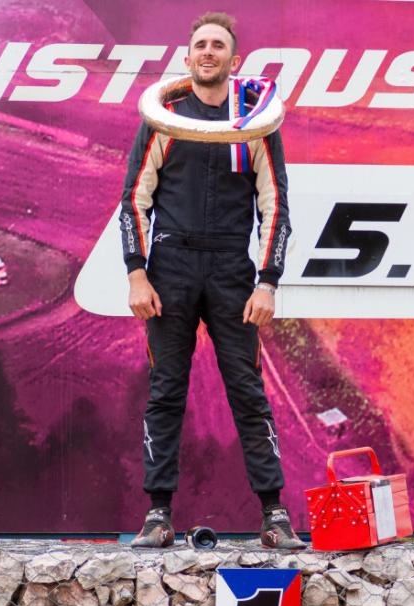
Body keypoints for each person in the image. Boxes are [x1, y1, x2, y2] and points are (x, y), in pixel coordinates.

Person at [119, 11, 302, 549]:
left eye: (218, 45)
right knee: (165, 391)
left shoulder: (256, 120)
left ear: (233, 60)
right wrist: (136, 274)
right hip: (169, 269)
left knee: (248, 391)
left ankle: (274, 515)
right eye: (200, 44)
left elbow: (275, 207)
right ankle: (158, 514)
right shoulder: (164, 116)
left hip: (231, 271)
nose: (208, 52)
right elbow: (133, 201)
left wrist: (268, 282)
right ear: (187, 57)